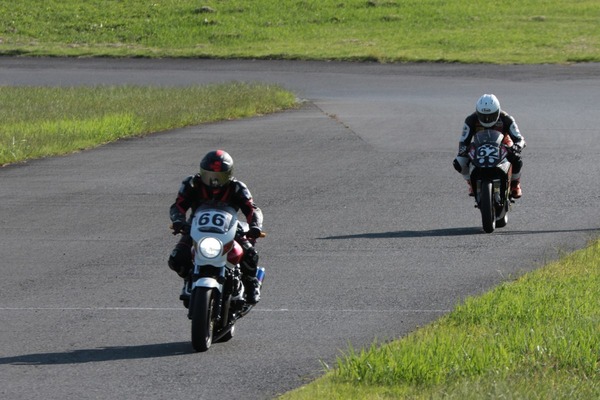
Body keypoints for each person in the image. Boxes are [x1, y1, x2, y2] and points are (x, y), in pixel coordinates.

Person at [168, 150, 264, 304]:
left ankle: (251, 282)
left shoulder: (237, 187)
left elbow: (252, 209)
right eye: (209, 176)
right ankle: (189, 279)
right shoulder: (191, 184)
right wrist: (178, 221)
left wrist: (255, 226)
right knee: (176, 259)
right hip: (196, 227)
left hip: (229, 228)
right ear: (201, 173)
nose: (214, 182)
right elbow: (178, 205)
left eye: (220, 177)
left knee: (250, 255)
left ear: (229, 175)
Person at [453, 94, 527, 198]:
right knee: (459, 162)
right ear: (478, 112)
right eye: (483, 116)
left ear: (498, 111)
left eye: (491, 116)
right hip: (479, 146)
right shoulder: (471, 119)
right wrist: (463, 150)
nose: (487, 119)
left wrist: (517, 146)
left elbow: (519, 138)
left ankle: (515, 184)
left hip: (503, 145)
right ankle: (471, 183)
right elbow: (463, 140)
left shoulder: (506, 118)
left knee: (516, 158)